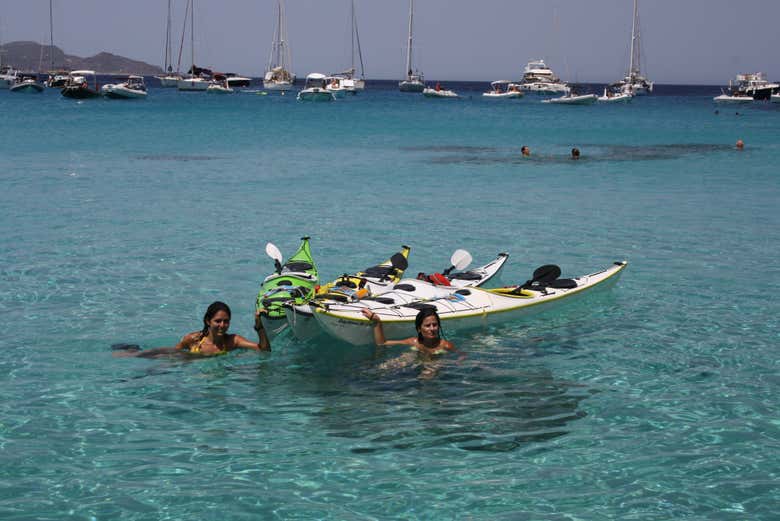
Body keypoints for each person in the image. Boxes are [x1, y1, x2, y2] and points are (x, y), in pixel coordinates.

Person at [114, 301, 270, 358]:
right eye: (218, 321)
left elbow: (263, 350)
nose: (222, 325)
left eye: (226, 321)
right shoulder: (193, 339)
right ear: (208, 321)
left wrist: (259, 327)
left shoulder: (233, 341)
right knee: (146, 362)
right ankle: (133, 350)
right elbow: (174, 352)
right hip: (183, 361)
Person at [361, 307, 457, 356]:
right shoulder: (413, 342)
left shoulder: (446, 345)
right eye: (427, 326)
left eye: (435, 325)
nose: (432, 328)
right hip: (414, 360)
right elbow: (382, 343)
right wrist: (377, 321)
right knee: (385, 367)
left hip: (433, 366)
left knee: (428, 374)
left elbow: (461, 356)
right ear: (419, 329)